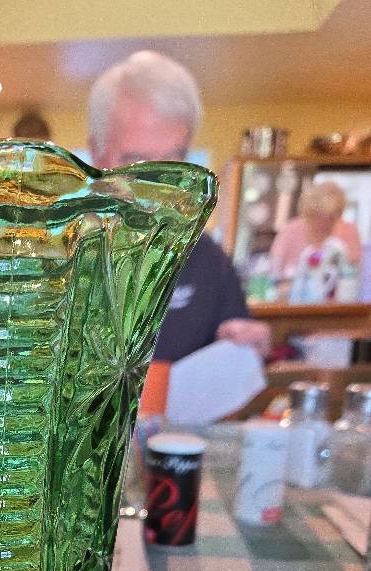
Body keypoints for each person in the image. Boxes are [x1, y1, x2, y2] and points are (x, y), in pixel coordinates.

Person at [88, 51, 271, 362]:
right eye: (137, 163)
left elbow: (237, 347)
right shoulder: (57, 256)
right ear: (97, 154)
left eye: (175, 163)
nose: (160, 186)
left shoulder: (208, 259)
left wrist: (248, 347)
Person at [270, 180, 362, 296]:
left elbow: (354, 277)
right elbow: (274, 278)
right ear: (307, 214)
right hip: (292, 302)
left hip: (337, 304)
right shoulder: (290, 231)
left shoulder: (348, 232)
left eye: (332, 219)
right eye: (317, 218)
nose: (324, 225)